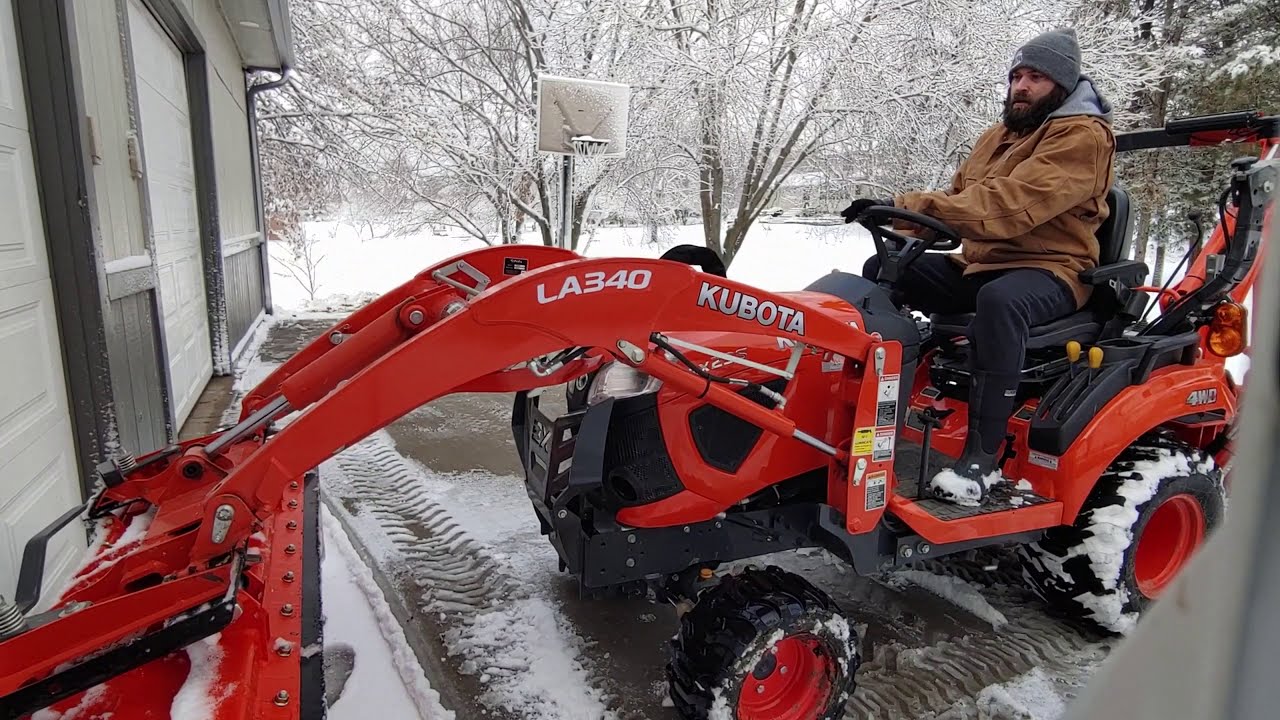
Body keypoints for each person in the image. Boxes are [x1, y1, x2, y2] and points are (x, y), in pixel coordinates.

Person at [841, 28, 1117, 506]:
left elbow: (1010, 205)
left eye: (1035, 77)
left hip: (1053, 269)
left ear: (1063, 85)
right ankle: (869, 412)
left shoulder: (1083, 137)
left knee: (1000, 302)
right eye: (1016, 76)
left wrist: (912, 205)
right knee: (885, 270)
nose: (1021, 86)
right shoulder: (999, 136)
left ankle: (981, 458)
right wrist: (896, 218)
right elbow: (959, 200)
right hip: (981, 263)